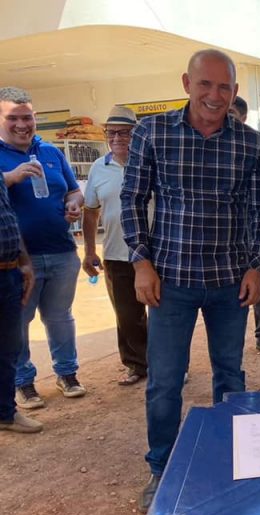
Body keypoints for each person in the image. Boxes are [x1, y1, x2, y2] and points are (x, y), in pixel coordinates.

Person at [121, 49, 260, 512]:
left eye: (224, 87)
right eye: (205, 84)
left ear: (235, 92)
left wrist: (256, 265)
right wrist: (141, 261)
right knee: (165, 381)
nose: (214, 95)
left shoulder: (251, 144)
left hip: (230, 282)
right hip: (171, 282)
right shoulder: (153, 131)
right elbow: (132, 198)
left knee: (230, 374)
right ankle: (162, 468)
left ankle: (229, 459)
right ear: (187, 83)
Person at [0, 86, 86, 409]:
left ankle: (67, 374)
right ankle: (23, 382)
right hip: (18, 260)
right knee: (18, 322)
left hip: (62, 251)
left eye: (27, 117)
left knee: (60, 317)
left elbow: (74, 190)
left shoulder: (51, 152)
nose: (22, 124)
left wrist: (74, 204)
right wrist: (10, 177)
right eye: (13, 118)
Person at [82, 106, 148, 386]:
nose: (117, 138)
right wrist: (89, 251)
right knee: (127, 315)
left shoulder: (150, 162)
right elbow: (90, 212)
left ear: (136, 134)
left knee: (164, 315)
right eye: (112, 133)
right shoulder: (99, 167)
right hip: (116, 254)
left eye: (124, 132)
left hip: (154, 254)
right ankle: (137, 365)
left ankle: (170, 365)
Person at [229, 95, 260, 358]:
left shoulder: (254, 146)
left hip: (254, 235)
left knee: (258, 285)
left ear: (243, 117)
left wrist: (259, 248)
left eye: (232, 114)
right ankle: (230, 344)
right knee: (228, 290)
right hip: (227, 238)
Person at [0, 173, 42, 433]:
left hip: (9, 272)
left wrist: (24, 261)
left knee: (8, 347)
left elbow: (8, 218)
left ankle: (5, 413)